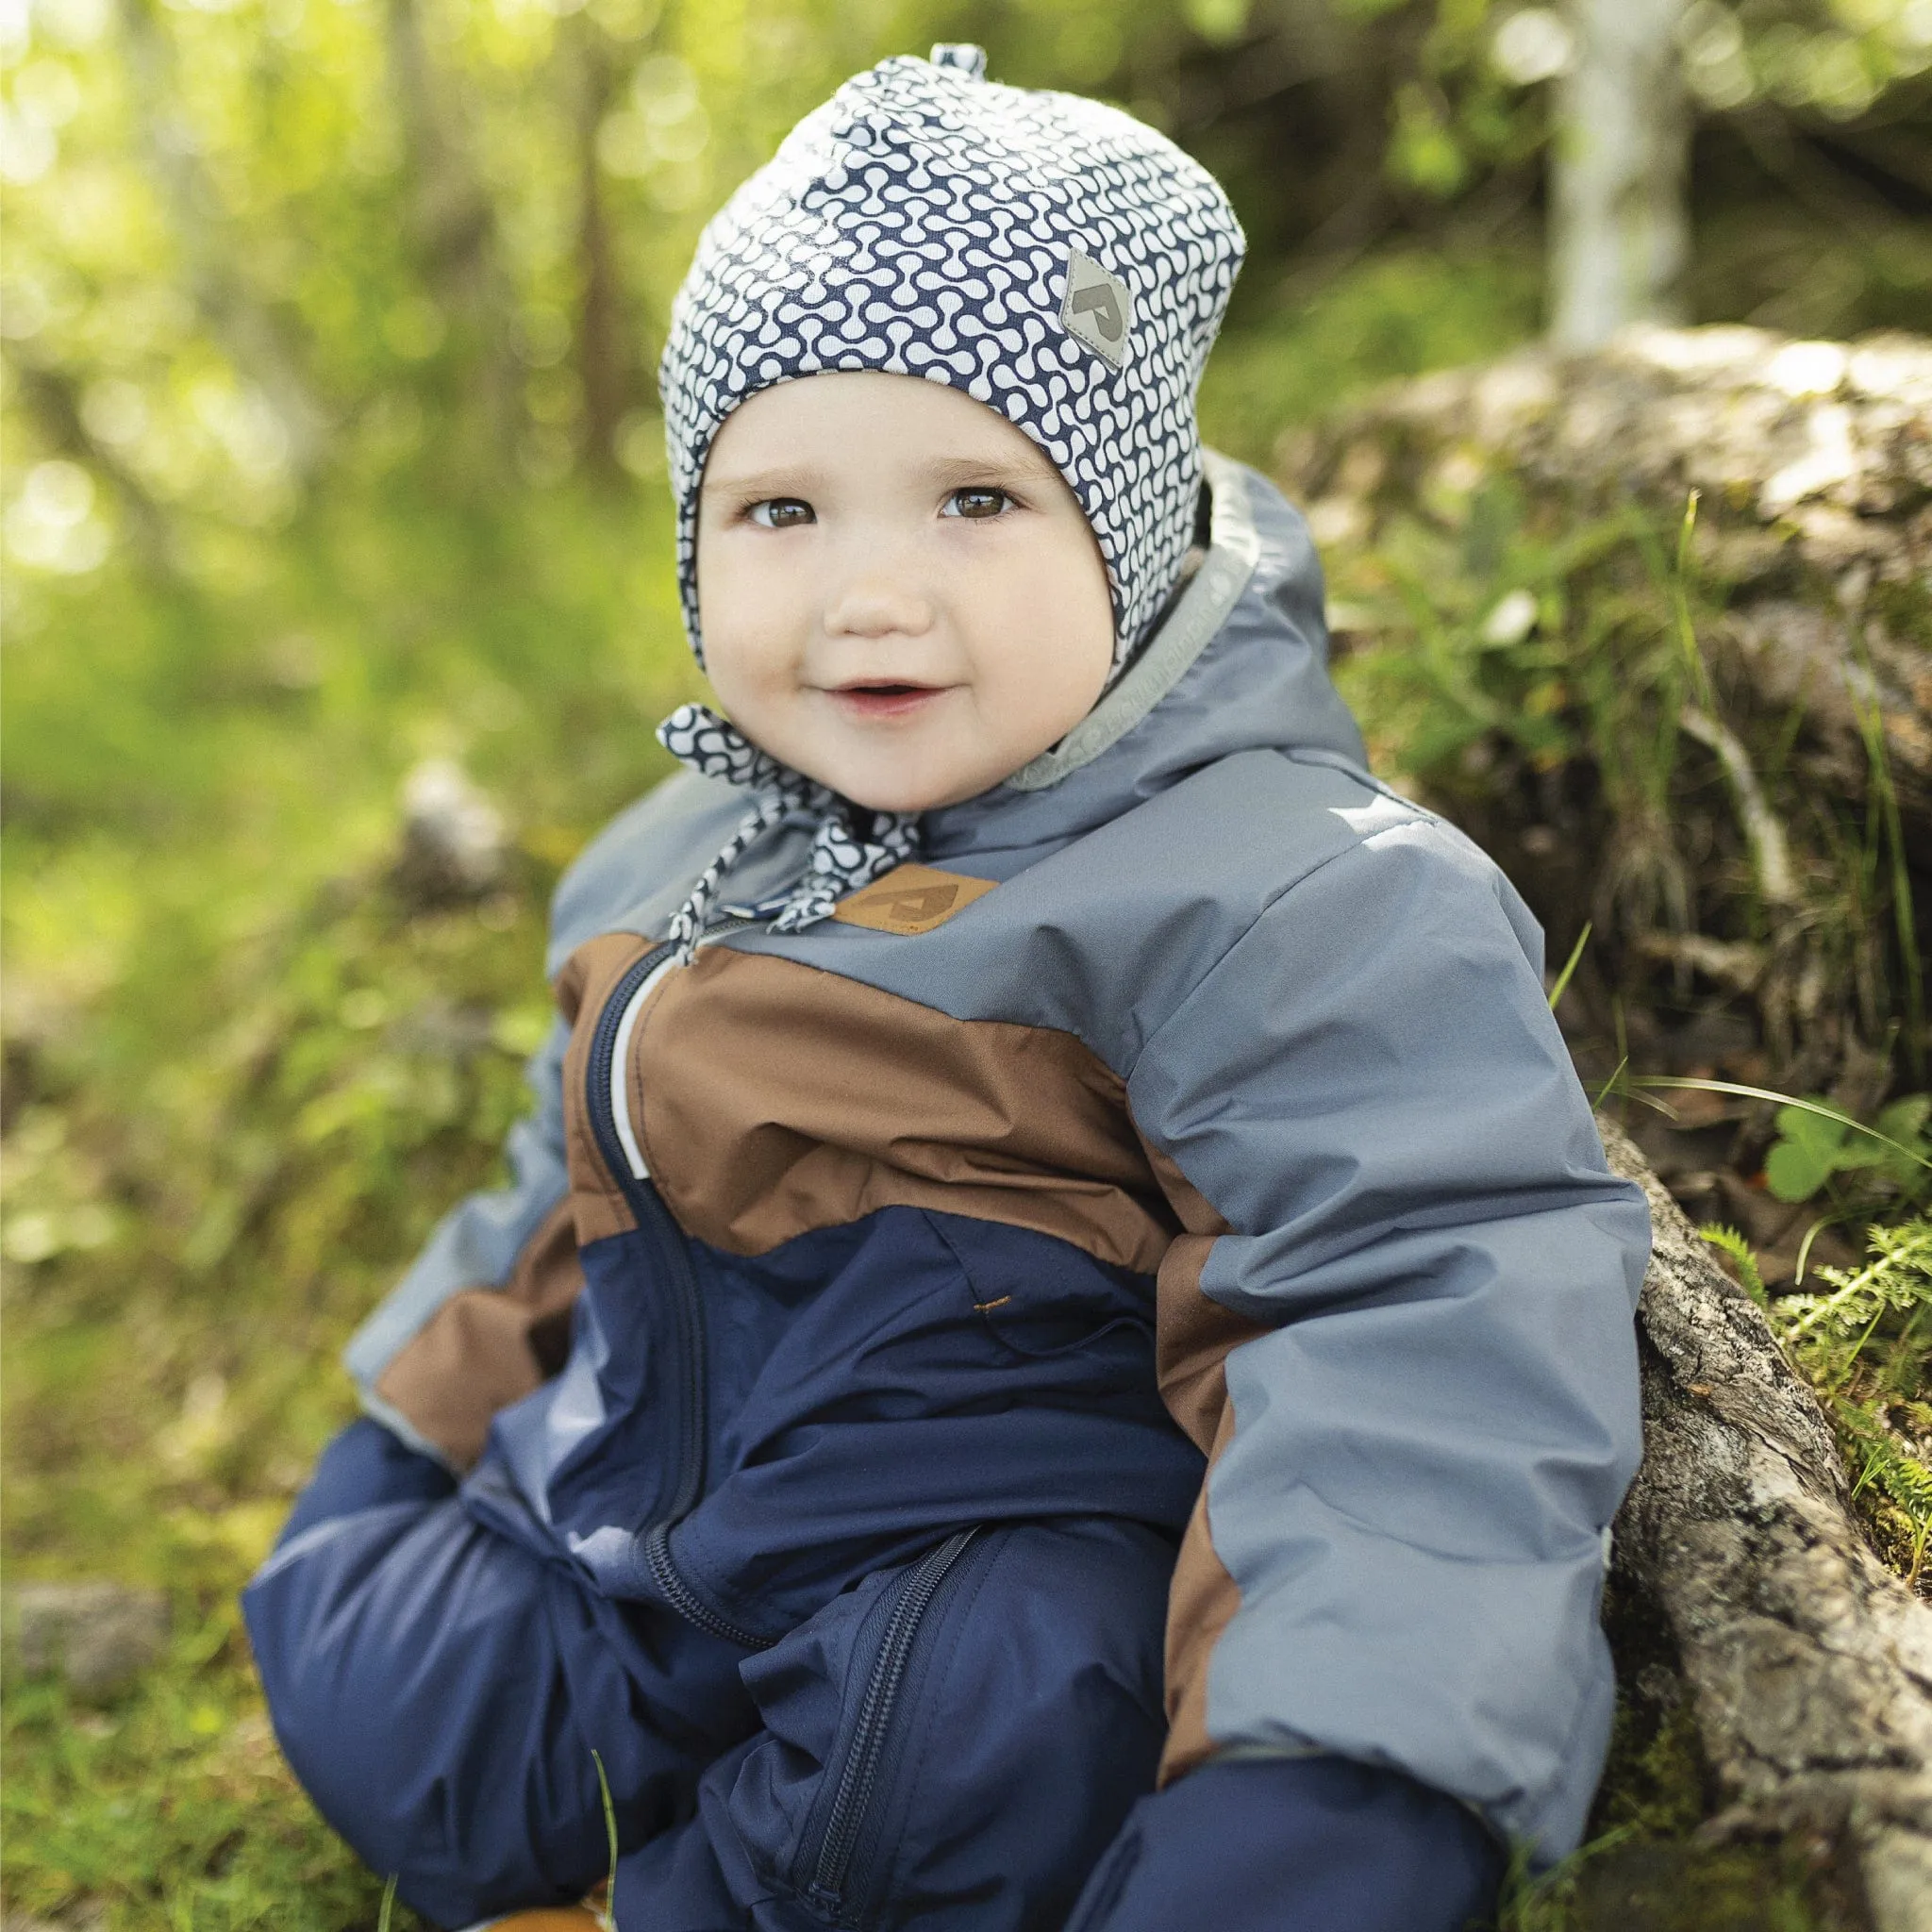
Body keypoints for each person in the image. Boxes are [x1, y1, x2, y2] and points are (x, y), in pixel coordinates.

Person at [243, 43, 1649, 1932]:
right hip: (654, 1521)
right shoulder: (677, 854)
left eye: (976, 499)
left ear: (1129, 524)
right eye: (781, 513)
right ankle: (607, 1813)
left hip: (956, 1559)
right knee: (390, 1698)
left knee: (985, 1731)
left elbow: (1413, 1315)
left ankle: (715, 1895)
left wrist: (1337, 1791)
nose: (869, 595)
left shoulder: (1289, 890)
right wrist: (389, 1446)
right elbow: (538, 1199)